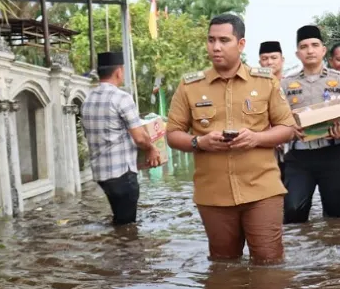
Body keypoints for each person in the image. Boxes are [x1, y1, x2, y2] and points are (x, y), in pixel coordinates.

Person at [165, 14, 296, 264]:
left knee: (269, 264)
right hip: (213, 195)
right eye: (211, 40)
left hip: (262, 191)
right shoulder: (190, 86)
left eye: (224, 40)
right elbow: (172, 134)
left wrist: (256, 138)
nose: (216, 47)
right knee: (224, 266)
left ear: (241, 44)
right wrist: (198, 142)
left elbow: (287, 128)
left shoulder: (265, 81)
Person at [281, 25, 340, 223]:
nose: (310, 50)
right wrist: (289, 128)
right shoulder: (285, 84)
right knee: (293, 211)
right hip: (299, 156)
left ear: (323, 50)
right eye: (304, 46)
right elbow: (277, 118)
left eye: (315, 45)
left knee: (336, 216)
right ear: (297, 53)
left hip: (333, 154)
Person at [81, 51, 161, 226]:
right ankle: (125, 252)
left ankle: (115, 250)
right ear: (118, 72)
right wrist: (151, 149)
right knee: (127, 226)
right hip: (121, 175)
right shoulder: (121, 98)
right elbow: (140, 138)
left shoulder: (88, 100)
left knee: (119, 220)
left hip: (102, 174)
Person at [259, 40, 287, 180]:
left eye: (274, 58)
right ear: (260, 62)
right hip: (266, 151)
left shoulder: (292, 86)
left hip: (292, 151)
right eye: (265, 59)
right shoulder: (255, 88)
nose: (269, 62)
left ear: (282, 60)